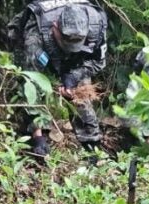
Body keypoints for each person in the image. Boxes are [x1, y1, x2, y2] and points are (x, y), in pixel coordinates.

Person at [8, 0, 108, 159]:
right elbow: (30, 83)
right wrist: (38, 136)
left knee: (80, 95)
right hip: (37, 50)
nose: (70, 46)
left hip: (76, 62)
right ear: (55, 27)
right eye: (66, 42)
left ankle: (92, 146)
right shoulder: (36, 33)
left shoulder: (96, 25)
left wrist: (73, 76)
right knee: (30, 84)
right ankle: (35, 135)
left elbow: (98, 62)